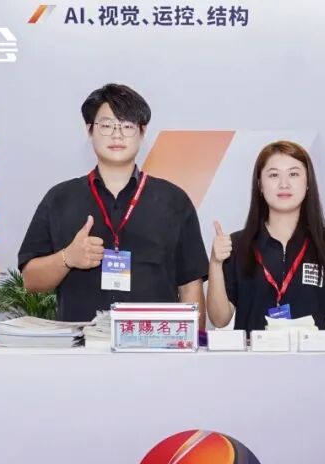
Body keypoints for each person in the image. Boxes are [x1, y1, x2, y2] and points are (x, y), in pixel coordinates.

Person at [18, 83, 208, 322]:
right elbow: (31, 280)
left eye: (127, 126)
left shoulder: (174, 201)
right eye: (107, 125)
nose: (117, 135)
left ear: (142, 131)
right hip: (83, 343)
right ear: (90, 129)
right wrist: (68, 257)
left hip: (155, 342)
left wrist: (194, 341)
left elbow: (191, 287)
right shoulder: (59, 198)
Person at [206, 141, 325, 339]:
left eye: (294, 174)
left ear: (308, 183)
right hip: (253, 357)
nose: (284, 184)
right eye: (274, 175)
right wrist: (216, 263)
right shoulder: (238, 245)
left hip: (314, 357)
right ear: (260, 185)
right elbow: (219, 319)